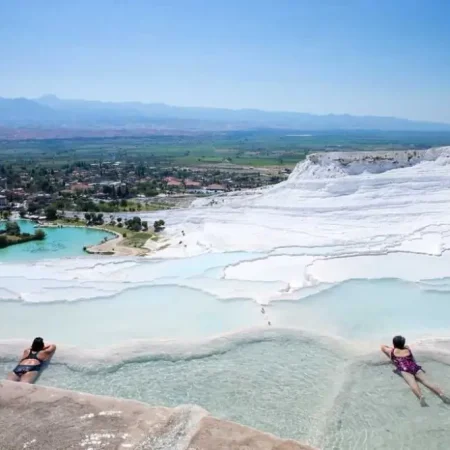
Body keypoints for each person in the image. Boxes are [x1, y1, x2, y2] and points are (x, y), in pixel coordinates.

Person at [381, 335, 450, 407]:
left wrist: (391, 347)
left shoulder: (391, 351)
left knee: (412, 383)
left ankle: (420, 396)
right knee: (427, 381)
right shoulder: (407, 349)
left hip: (405, 369)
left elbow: (382, 347)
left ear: (394, 343)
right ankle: (440, 393)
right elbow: (406, 346)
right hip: (414, 367)